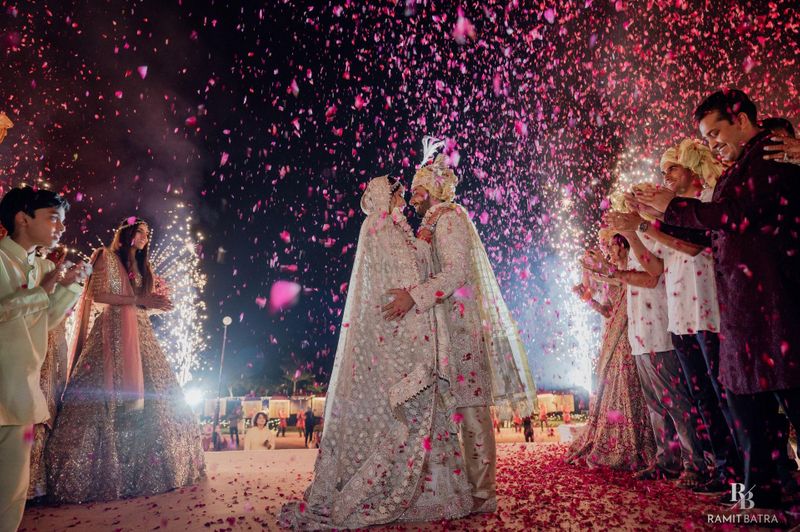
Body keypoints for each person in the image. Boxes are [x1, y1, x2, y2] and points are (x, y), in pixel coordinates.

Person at [635, 89, 800, 508]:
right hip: (746, 309)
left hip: (769, 304)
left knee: (770, 407)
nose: (713, 144)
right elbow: (712, 232)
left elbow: (735, 216)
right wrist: (662, 215)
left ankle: (764, 493)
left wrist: (672, 208)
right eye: (706, 139)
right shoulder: (742, 163)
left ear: (742, 118)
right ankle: (757, 496)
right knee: (747, 411)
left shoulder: (769, 154)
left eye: (715, 133)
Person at [279, 176, 473, 529]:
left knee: (421, 413)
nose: (406, 200)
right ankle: (414, 494)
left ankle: (435, 494)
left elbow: (418, 273)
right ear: (389, 197)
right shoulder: (382, 228)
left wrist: (426, 234)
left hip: (415, 330)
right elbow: (400, 285)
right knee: (408, 415)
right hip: (403, 337)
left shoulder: (400, 230)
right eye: (401, 193)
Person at [382, 138, 538, 514]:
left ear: (434, 188)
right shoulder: (433, 222)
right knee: (456, 408)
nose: (413, 193)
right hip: (444, 326)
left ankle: (482, 495)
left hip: (462, 327)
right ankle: (462, 488)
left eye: (418, 185)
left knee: (471, 408)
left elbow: (457, 271)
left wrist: (413, 297)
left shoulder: (449, 219)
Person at [608, 139, 738, 492]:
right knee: (702, 398)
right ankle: (721, 470)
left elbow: (692, 246)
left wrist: (641, 225)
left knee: (721, 397)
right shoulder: (669, 217)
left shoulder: (707, 202)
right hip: (681, 318)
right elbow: (662, 264)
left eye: (672, 169)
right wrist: (640, 226)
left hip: (709, 313)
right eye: (663, 171)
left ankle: (734, 472)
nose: (664, 177)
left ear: (693, 168)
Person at [45, 218, 205, 503]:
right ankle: (97, 473)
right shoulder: (106, 257)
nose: (144, 237)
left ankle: (157, 471)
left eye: (147, 233)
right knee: (104, 398)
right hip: (111, 335)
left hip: (141, 335)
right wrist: (140, 302)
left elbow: (138, 303)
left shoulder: (144, 266)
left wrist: (156, 305)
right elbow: (99, 296)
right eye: (139, 231)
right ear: (126, 232)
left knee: (160, 398)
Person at [0, 187, 89, 531]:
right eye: (53, 218)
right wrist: (44, 288)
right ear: (23, 218)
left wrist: (70, 287)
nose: (61, 228)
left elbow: (46, 320)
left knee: (11, 493)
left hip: (19, 394)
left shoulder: (39, 266)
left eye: (62, 221)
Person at [567, 232, 656, 470]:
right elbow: (608, 311)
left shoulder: (627, 271)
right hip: (612, 336)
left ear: (626, 248)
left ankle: (636, 442)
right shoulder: (611, 274)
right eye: (609, 246)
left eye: (614, 246)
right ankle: (615, 441)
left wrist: (600, 269)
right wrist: (587, 299)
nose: (611, 250)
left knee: (627, 385)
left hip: (630, 333)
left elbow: (620, 281)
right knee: (611, 388)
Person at [27, 246, 72, 501]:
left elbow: (59, 310)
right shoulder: (28, 267)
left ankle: (39, 482)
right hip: (38, 346)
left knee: (50, 409)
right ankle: (29, 484)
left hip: (56, 345)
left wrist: (67, 283)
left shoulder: (51, 270)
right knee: (37, 410)